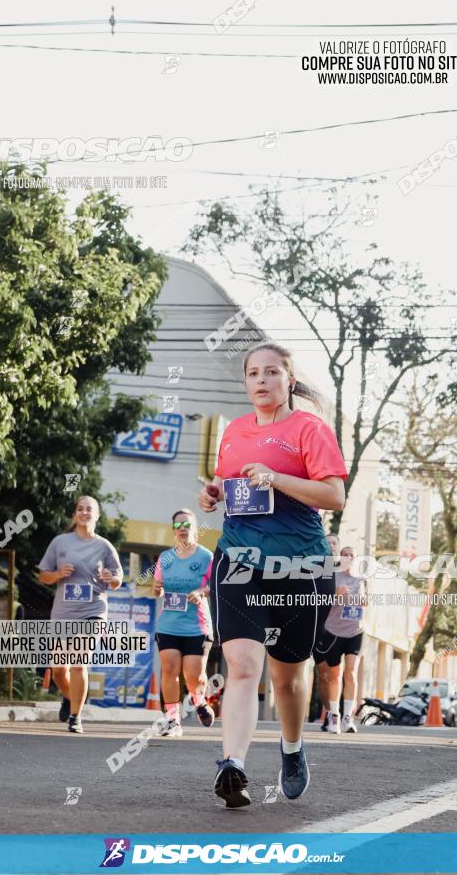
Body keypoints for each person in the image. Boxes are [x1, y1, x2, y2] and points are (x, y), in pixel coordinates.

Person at [198, 341, 347, 807]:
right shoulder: (235, 431)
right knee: (242, 665)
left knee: (287, 678)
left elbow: (334, 497)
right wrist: (214, 493)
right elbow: (233, 485)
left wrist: (276, 478)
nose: (261, 381)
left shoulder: (310, 429)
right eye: (253, 374)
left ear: (288, 380)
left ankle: (292, 746)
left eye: (271, 373)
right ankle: (233, 764)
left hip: (300, 565)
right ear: (245, 382)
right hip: (239, 559)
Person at [38, 495, 123, 733]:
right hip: (63, 614)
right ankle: (70, 697)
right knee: (58, 671)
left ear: (97, 515)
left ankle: (75, 716)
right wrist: (57, 575)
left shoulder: (104, 546)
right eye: (80, 509)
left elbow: (118, 579)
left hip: (93, 611)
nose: (84, 512)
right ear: (75, 514)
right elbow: (43, 575)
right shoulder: (60, 542)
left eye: (89, 509)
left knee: (78, 662)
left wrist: (111, 579)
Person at [152, 508, 215, 737]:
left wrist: (201, 591)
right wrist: (157, 589)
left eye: (187, 525)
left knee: (194, 675)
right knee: (169, 668)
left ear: (195, 529)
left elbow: (216, 586)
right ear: (173, 530)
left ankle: (198, 701)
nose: (182, 530)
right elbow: (157, 589)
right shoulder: (165, 558)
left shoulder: (206, 557)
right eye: (178, 526)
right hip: (168, 624)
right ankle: (172, 720)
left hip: (196, 625)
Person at [314, 546, 366, 734]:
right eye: (344, 555)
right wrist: (335, 593)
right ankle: (334, 716)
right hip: (333, 632)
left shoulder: (362, 580)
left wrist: (363, 601)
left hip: (355, 631)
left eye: (351, 555)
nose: (348, 558)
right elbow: (321, 600)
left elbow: (367, 602)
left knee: (350, 674)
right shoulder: (332, 577)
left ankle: (348, 718)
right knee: (334, 676)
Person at [314, 533, 341, 730]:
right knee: (322, 673)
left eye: (334, 543)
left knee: (335, 674)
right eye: (328, 542)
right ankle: (329, 710)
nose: (330, 545)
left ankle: (335, 713)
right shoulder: (316, 568)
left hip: (339, 630)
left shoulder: (345, 571)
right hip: (318, 626)